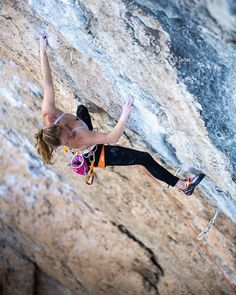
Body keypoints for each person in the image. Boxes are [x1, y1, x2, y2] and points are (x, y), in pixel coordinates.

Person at [35, 34, 204, 195]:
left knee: (82, 108)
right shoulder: (79, 138)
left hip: (84, 133)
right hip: (97, 154)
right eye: (67, 142)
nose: (69, 138)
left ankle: (89, 134)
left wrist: (42, 51)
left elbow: (48, 84)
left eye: (67, 136)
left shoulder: (49, 113)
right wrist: (124, 114)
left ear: (57, 125)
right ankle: (183, 186)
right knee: (143, 158)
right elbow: (112, 138)